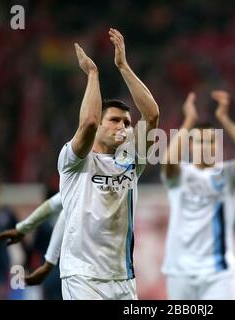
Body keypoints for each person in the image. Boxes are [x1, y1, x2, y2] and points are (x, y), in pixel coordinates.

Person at [57, 28, 159, 300]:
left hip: (123, 278)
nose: (123, 127)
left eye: (126, 122)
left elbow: (151, 114)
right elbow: (88, 122)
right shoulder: (74, 161)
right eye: (114, 120)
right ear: (101, 125)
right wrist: (93, 74)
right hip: (83, 276)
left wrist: (123, 66)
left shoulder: (131, 161)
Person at [160, 90, 235, 299]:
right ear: (190, 145)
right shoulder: (180, 175)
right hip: (180, 271)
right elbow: (168, 161)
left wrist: (225, 120)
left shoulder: (227, 174)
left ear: (219, 145)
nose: (205, 146)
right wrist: (189, 121)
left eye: (211, 141)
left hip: (218, 274)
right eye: (199, 141)